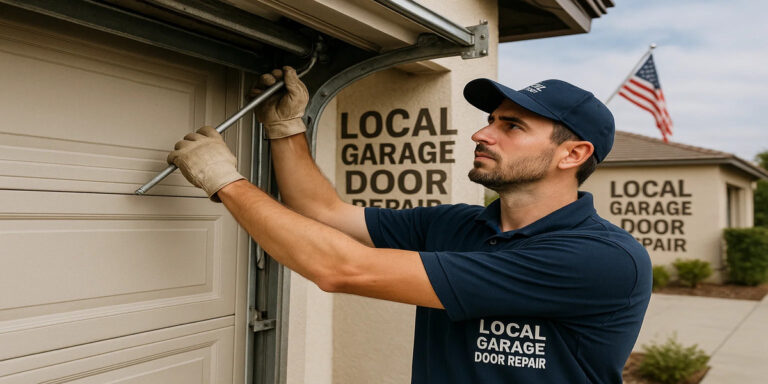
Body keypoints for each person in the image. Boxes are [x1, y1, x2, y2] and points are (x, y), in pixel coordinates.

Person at [167, 67, 652, 383]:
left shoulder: (601, 259)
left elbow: (340, 268)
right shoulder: (455, 226)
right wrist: (285, 129)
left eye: (512, 126)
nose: (482, 133)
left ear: (573, 154)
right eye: (491, 120)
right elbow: (327, 214)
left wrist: (225, 181)